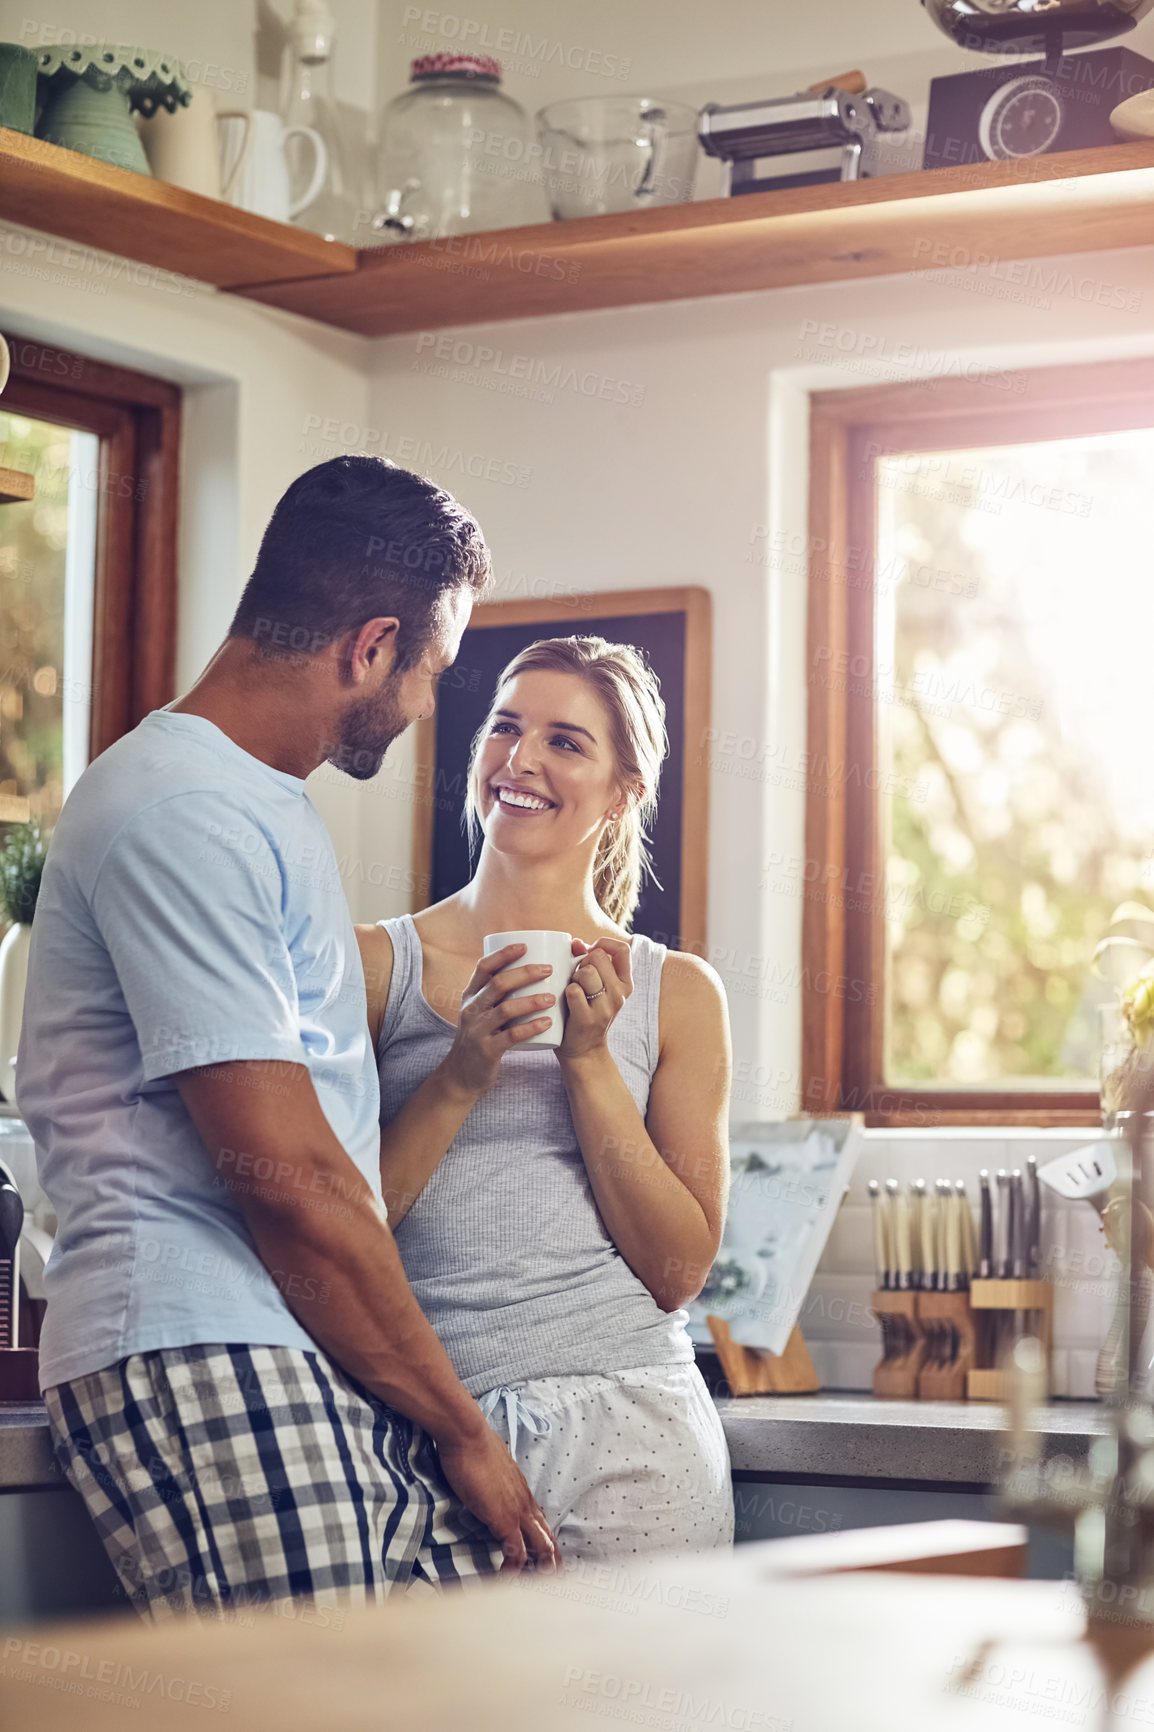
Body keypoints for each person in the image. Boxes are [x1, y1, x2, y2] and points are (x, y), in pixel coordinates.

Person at [16, 456, 558, 1622]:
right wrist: (459, 1427)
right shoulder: (185, 809)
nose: (426, 708)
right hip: (196, 1335)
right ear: (369, 646)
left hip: (291, 1336)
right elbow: (291, 1180)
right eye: (432, 671)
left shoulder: (260, 803)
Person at [356, 635, 734, 1563]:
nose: (521, 760)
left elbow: (677, 1269)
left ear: (623, 791)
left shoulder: (677, 992)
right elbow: (344, 1224)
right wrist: (460, 1072)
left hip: (630, 1421)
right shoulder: (373, 966)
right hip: (416, 1431)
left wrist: (589, 1060)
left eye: (567, 742)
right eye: (505, 727)